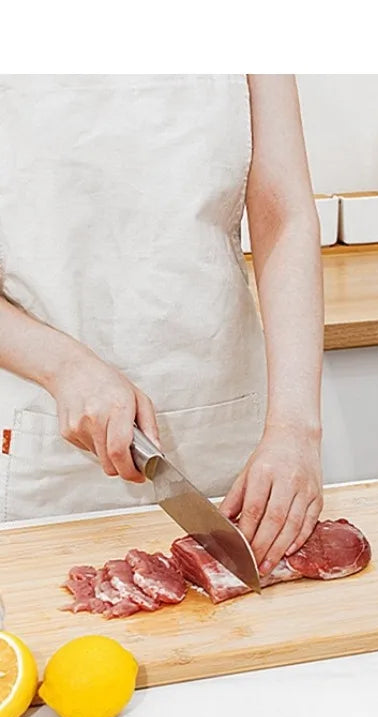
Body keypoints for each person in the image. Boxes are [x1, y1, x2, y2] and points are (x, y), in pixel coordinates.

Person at [0, 75, 323, 576]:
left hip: (226, 434)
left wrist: (294, 428)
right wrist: (61, 367)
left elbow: (284, 219)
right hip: (46, 438)